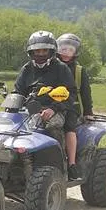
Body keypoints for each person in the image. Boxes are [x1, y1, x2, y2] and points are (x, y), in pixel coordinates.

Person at [13, 30, 77, 164]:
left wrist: (53, 109)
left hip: (56, 109)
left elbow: (71, 93)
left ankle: (60, 161)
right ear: (31, 52)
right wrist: (13, 104)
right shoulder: (27, 69)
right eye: (37, 51)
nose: (41, 54)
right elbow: (18, 91)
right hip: (30, 109)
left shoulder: (61, 68)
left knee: (52, 126)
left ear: (51, 51)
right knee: (9, 126)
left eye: (44, 51)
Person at [56, 33, 94, 181]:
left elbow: (86, 92)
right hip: (52, 104)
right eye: (63, 49)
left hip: (72, 106)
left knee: (69, 127)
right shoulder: (51, 66)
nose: (66, 53)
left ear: (75, 52)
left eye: (70, 50)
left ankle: (71, 163)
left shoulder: (79, 71)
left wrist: (88, 111)